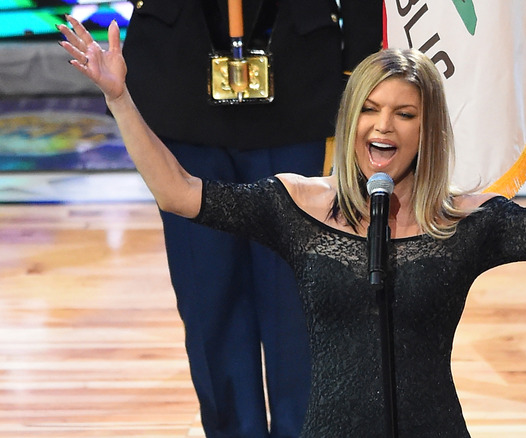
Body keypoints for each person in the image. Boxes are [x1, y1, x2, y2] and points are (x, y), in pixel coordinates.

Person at [57, 16, 526, 437]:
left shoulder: (460, 220)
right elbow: (178, 194)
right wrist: (119, 96)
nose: (383, 126)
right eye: (368, 110)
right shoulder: (298, 206)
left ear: (428, 131)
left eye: (403, 113)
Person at [117, 1, 381, 437]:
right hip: (178, 81)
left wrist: (359, 72)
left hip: (299, 79)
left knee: (299, 300)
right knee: (208, 301)